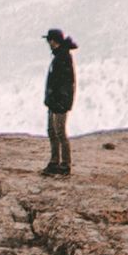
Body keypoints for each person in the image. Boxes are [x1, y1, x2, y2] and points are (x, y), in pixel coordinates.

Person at [41, 27, 77, 175]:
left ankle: (64, 164)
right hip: (55, 103)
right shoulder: (59, 56)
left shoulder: (63, 58)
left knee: (59, 132)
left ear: (53, 41)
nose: (48, 43)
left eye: (49, 40)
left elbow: (66, 83)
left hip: (59, 104)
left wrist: (61, 102)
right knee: (52, 131)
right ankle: (55, 161)